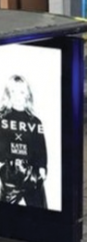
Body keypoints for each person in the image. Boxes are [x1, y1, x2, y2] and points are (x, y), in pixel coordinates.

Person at [0, 75, 48, 208]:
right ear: (8, 94)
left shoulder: (34, 121)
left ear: (27, 95)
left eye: (21, 92)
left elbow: (40, 147)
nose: (17, 96)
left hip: (31, 172)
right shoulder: (3, 118)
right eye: (13, 92)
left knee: (39, 208)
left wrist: (42, 167)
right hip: (10, 173)